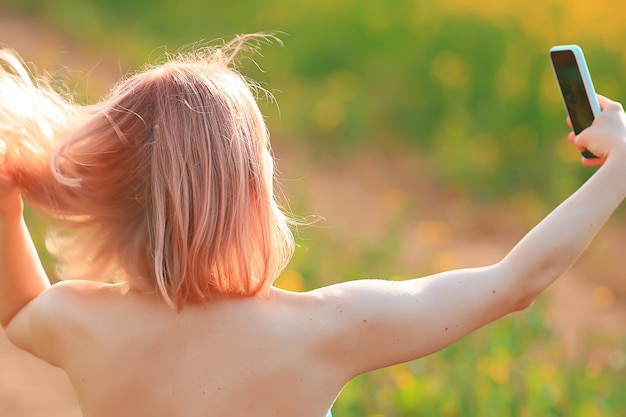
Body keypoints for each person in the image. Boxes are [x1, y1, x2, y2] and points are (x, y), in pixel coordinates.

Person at [1, 33, 625, 417]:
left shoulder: (79, 321)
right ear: (246, 188)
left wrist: (6, 196)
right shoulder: (323, 330)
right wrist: (619, 168)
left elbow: (19, 312)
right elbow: (517, 281)